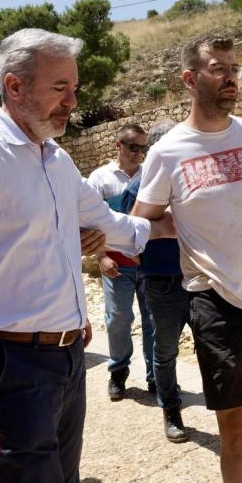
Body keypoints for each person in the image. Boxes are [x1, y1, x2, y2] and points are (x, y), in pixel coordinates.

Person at [0, 28, 174, 483]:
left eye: (74, 88)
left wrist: (175, 225)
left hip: (67, 359)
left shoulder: (56, 160)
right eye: (59, 88)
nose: (72, 101)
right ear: (15, 87)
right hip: (11, 364)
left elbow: (110, 222)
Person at [133, 37, 242, 483]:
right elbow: (141, 222)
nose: (231, 76)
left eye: (235, 68)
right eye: (218, 68)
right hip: (214, 301)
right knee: (236, 430)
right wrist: (179, 225)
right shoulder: (168, 151)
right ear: (190, 79)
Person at [118, 119, 188, 442]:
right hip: (161, 284)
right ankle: (171, 411)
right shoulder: (136, 190)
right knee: (165, 351)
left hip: (199, 278)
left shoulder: (190, 182)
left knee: (220, 347)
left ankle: (241, 414)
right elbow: (124, 241)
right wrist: (148, 265)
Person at [87, 123, 155, 401]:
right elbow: (90, 224)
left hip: (150, 265)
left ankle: (157, 376)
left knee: (154, 321)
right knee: (118, 319)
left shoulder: (152, 176)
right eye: (133, 147)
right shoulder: (100, 179)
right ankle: (118, 372)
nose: (138, 153)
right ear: (119, 145)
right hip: (116, 265)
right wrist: (101, 257)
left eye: (143, 148)